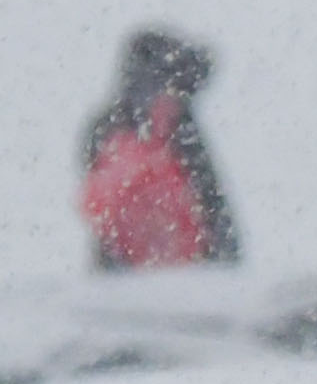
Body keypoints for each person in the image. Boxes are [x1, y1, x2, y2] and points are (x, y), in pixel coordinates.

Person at [78, 28, 239, 275]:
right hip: (163, 280)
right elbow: (213, 209)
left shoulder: (111, 129)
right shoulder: (173, 131)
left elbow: (211, 207)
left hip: (168, 279)